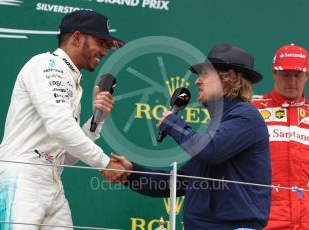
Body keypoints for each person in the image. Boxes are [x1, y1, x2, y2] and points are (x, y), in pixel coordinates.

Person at [105, 44, 271, 229]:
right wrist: (131, 172)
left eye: (205, 75)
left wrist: (173, 123)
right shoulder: (221, 124)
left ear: (229, 78)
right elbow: (177, 182)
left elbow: (210, 150)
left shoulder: (246, 116)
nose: (197, 82)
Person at [0, 10, 126, 229]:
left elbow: (62, 158)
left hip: (51, 182)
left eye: (107, 46)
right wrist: (104, 163)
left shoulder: (71, 80)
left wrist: (95, 122)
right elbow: (60, 127)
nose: (104, 51)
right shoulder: (47, 65)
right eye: (101, 42)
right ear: (77, 37)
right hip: (21, 177)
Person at [252, 43, 309, 230]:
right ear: (274, 73)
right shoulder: (251, 108)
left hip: (308, 220)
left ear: (307, 75)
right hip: (260, 217)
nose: (292, 81)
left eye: (297, 75)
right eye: (286, 75)